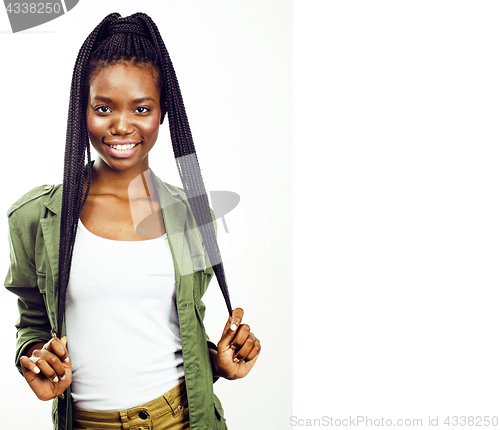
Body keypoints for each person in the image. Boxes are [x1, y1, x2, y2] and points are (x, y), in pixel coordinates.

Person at [4, 12, 260, 430]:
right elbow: (33, 318)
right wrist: (32, 355)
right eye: (103, 107)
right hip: (88, 423)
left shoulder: (195, 216)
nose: (121, 125)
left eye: (141, 108)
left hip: (183, 418)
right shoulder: (34, 217)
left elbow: (179, 326)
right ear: (81, 109)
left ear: (162, 113)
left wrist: (220, 361)